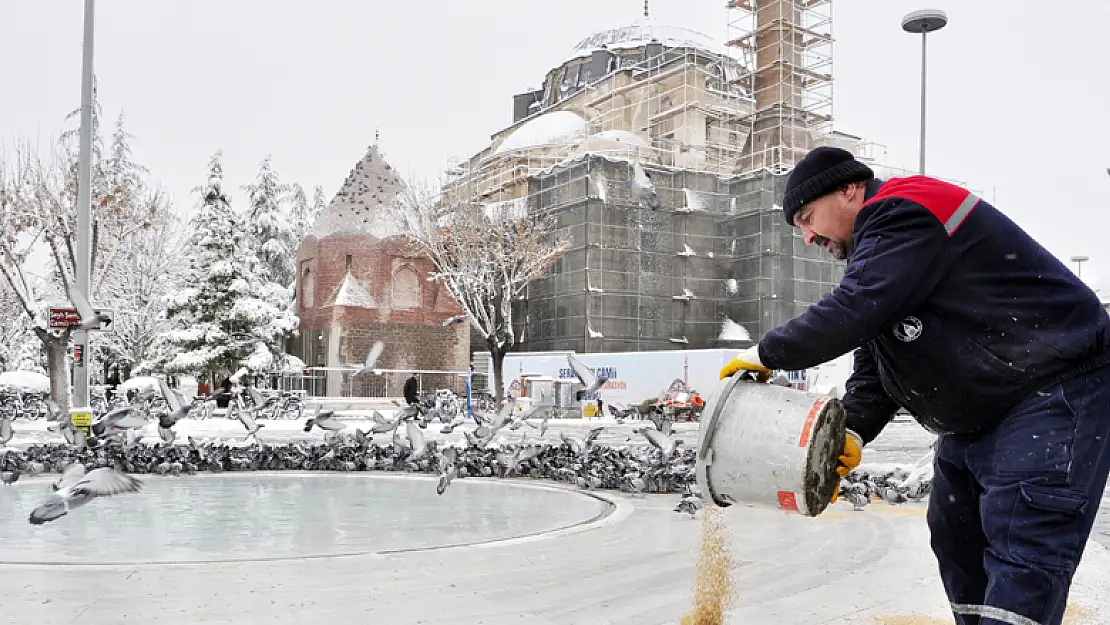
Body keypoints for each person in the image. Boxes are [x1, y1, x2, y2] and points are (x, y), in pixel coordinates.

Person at [719, 146, 1110, 625]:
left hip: (1050, 392)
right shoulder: (889, 254)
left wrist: (765, 354)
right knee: (954, 531)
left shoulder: (904, 210)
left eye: (807, 216)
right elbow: (877, 355)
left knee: (1021, 541)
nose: (806, 236)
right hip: (983, 412)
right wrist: (854, 430)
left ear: (848, 189)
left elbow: (855, 310)